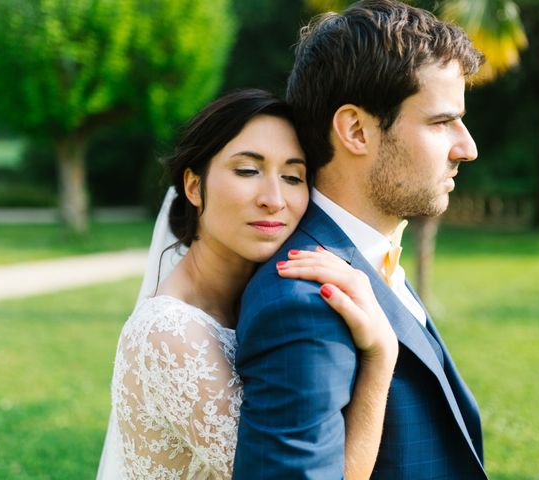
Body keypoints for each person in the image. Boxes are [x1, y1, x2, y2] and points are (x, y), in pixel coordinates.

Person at [233, 1, 488, 479]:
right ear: (355, 130)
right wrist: (381, 358)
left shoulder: (372, 255)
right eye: (440, 122)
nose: (467, 147)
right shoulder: (303, 302)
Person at [96, 89, 398, 479]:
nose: (274, 199)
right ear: (193, 186)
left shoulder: (265, 300)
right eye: (247, 170)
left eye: (293, 176)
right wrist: (381, 354)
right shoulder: (167, 335)